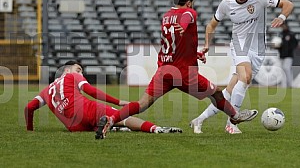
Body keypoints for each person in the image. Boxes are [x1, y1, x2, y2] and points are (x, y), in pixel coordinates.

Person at [95, 0, 258, 139]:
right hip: (184, 73)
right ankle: (235, 117)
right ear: (189, 2)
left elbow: (176, 44)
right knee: (216, 93)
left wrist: (195, 54)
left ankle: (111, 119)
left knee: (142, 104)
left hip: (164, 71)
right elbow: (187, 18)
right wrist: (184, 24)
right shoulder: (189, 12)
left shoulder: (166, 16)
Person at [189, 0, 294, 134]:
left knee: (229, 91)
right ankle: (232, 122)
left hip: (258, 50)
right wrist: (207, 44)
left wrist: (282, 17)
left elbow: (288, 4)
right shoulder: (226, 5)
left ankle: (199, 119)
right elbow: (211, 26)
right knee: (246, 77)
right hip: (239, 45)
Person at [25, 60, 182, 134]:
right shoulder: (71, 76)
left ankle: (118, 129)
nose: (81, 73)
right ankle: (157, 129)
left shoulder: (46, 91)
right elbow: (91, 91)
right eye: (78, 69)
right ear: (67, 70)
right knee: (122, 115)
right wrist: (119, 102)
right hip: (86, 111)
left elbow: (29, 108)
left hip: (74, 127)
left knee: (106, 123)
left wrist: (30, 130)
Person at [277, 22, 298, 87]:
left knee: (287, 68)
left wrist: (288, 48)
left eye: (284, 25)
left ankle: (290, 84)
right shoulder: (280, 34)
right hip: (281, 55)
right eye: (282, 26)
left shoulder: (291, 34)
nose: (283, 27)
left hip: (289, 55)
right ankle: (283, 85)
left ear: (287, 26)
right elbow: (278, 44)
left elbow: (295, 44)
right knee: (282, 70)